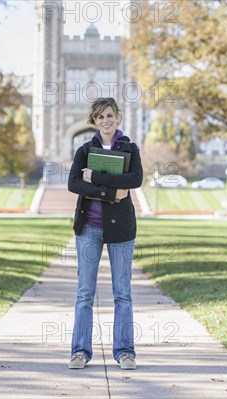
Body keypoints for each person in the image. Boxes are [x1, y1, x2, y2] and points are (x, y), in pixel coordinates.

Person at [67, 97, 143, 370]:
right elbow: (74, 183)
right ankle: (79, 352)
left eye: (109, 115)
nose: (105, 121)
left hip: (121, 228)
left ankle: (125, 352)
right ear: (94, 121)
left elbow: (135, 180)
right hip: (89, 228)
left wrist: (96, 177)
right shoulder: (85, 150)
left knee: (122, 293)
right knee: (84, 293)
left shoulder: (130, 148)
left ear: (117, 116)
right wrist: (111, 192)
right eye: (100, 117)